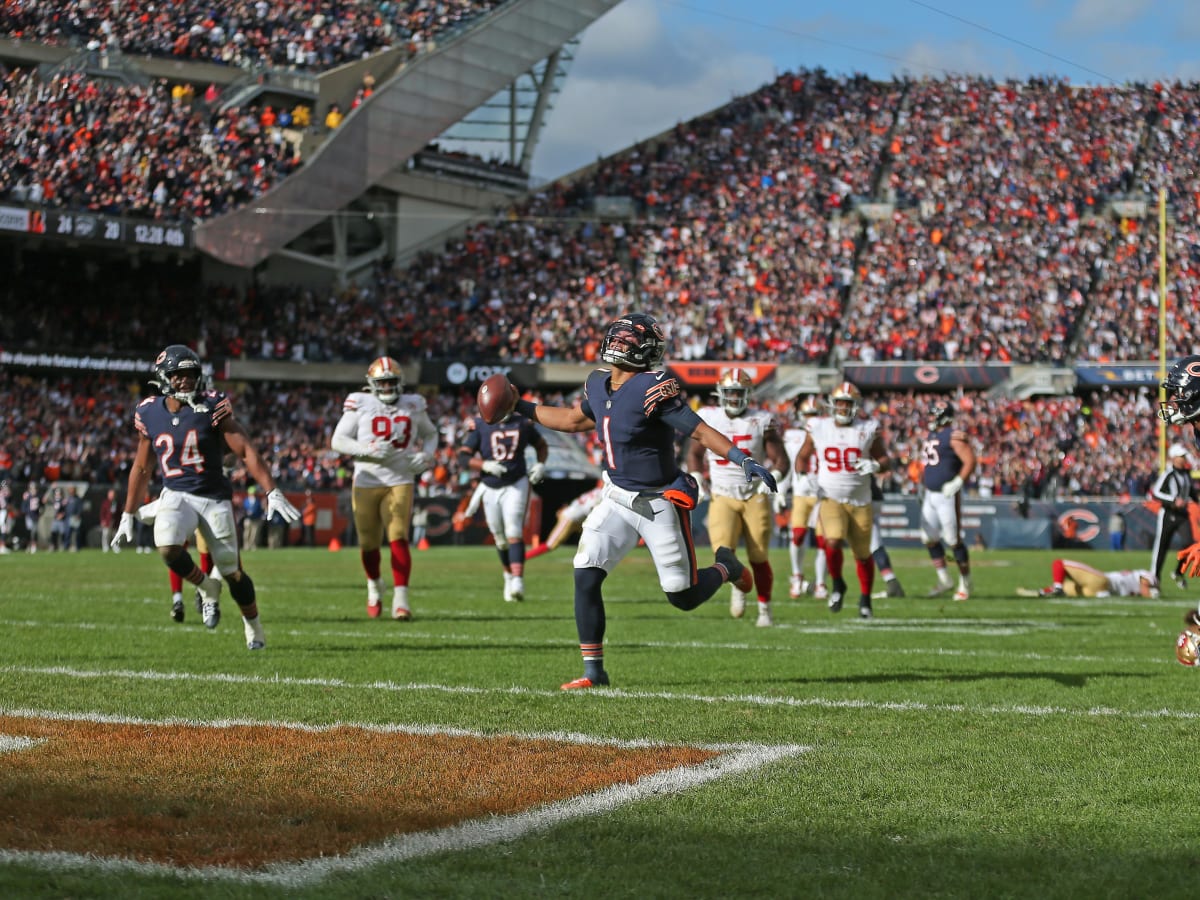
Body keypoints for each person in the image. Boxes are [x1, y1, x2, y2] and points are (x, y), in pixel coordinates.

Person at [505, 312, 777, 689]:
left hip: (658, 501)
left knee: (683, 597)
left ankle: (726, 567)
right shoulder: (599, 384)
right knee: (585, 572)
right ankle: (594, 672)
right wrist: (519, 406)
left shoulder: (654, 386)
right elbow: (570, 420)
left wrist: (741, 457)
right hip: (615, 497)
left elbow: (696, 429)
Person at [110, 344, 301, 650]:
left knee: (232, 571)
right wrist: (127, 513)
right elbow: (142, 466)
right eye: (178, 375)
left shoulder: (211, 405)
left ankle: (253, 626)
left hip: (213, 497)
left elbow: (246, 449)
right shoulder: (148, 411)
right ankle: (206, 586)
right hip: (176, 494)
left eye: (190, 374)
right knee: (167, 546)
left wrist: (271, 490)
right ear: (163, 378)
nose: (186, 381)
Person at [330, 356, 439, 620]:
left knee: (398, 535)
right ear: (372, 384)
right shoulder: (360, 402)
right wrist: (366, 450)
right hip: (367, 479)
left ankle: (401, 601)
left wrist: (426, 456)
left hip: (400, 478)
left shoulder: (413, 404)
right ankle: (374, 587)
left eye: (392, 383)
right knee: (368, 543)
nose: (388, 388)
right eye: (383, 383)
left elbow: (431, 434)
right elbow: (338, 440)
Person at [687, 368, 788, 626]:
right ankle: (737, 580)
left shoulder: (762, 420)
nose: (733, 398)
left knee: (759, 556)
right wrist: (697, 477)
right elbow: (695, 454)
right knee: (723, 552)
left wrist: (774, 474)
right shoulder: (709, 417)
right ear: (720, 394)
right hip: (722, 495)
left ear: (748, 394)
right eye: (729, 393)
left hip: (754, 495)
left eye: (738, 393)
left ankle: (765, 609)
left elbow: (781, 458)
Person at [794, 381, 891, 619]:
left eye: (848, 404)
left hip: (860, 500)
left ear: (856, 405)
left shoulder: (868, 428)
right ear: (832, 404)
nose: (844, 408)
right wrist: (804, 477)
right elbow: (802, 456)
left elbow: (885, 458)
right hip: (830, 497)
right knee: (833, 541)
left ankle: (865, 599)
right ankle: (837, 584)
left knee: (863, 554)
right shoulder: (818, 426)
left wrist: (876, 465)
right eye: (840, 403)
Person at [457, 397, 549, 602]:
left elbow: (541, 446)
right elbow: (463, 457)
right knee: (499, 537)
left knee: (514, 531)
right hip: (490, 486)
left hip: (516, 482)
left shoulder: (522, 423)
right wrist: (484, 466)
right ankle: (508, 575)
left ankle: (517, 579)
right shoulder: (480, 425)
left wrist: (540, 464)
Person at [919, 401, 977, 601]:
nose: (931, 419)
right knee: (928, 537)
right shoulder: (931, 436)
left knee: (953, 540)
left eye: (935, 415)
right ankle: (945, 580)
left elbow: (970, 461)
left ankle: (965, 582)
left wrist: (958, 481)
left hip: (946, 495)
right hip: (930, 493)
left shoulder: (954, 436)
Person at [781, 396, 828, 599]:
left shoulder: (828, 433)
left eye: (814, 415)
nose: (811, 419)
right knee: (798, 535)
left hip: (823, 493)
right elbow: (789, 464)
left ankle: (820, 583)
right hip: (801, 491)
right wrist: (781, 490)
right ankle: (797, 575)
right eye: (808, 415)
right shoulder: (792, 435)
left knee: (822, 540)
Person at [1149, 443, 1194, 589]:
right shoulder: (1168, 474)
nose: (1183, 459)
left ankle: (1178, 572)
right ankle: (1155, 581)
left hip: (1182, 515)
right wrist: (1173, 501)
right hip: (1168, 514)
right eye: (1181, 456)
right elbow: (1156, 492)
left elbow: (1191, 492)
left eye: (1184, 456)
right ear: (1174, 458)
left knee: (1189, 543)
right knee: (1161, 548)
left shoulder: (1187, 474)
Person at [525, 481, 604, 561]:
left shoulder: (596, 491)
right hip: (570, 518)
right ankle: (522, 557)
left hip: (576, 518)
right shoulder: (602, 494)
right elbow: (592, 509)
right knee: (551, 545)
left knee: (592, 538)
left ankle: (590, 558)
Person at [1017, 558, 1159, 598]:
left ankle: (1057, 587)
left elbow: (1146, 585)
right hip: (1098, 592)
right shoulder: (1139, 581)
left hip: (1101, 580)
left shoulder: (1146, 576)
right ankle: (1046, 590)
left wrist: (1152, 593)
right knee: (1066, 590)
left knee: (1058, 563)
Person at [868, 476, 906, 599]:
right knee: (873, 543)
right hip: (868, 496)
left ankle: (821, 583)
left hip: (864, 497)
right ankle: (892, 582)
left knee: (873, 544)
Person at [242, 486, 265, 550]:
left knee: (254, 534)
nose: (253, 494)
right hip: (248, 519)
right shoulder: (246, 501)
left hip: (256, 519)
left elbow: (260, 510)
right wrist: (247, 512)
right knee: (247, 533)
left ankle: (253, 545)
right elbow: (244, 509)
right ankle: (246, 546)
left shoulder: (258, 501)